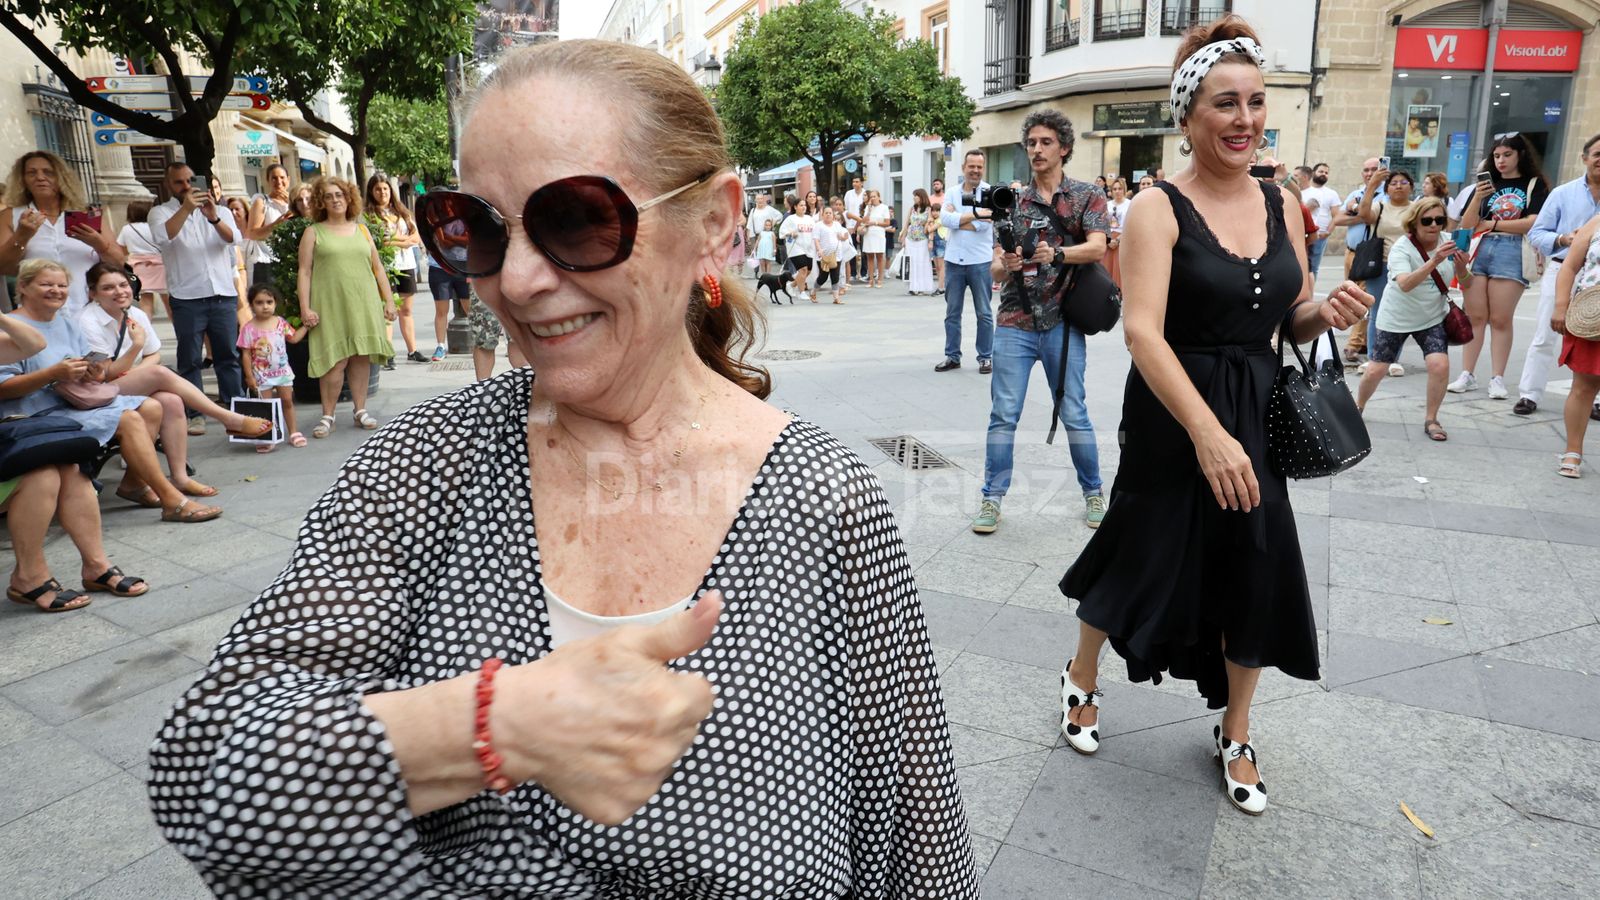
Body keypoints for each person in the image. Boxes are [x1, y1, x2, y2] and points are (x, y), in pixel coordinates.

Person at [150, 38, 977, 897]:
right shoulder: (423, 466)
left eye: (577, 219)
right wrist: (496, 728)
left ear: (717, 223)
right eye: (475, 229)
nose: (516, 279)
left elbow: (918, 841)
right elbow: (202, 766)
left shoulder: (826, 505)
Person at [1060, 16, 1373, 816]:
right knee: (1142, 544)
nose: (1245, 119)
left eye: (1256, 102)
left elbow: (1289, 315)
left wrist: (1324, 312)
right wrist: (1205, 434)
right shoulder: (1158, 209)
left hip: (1257, 405)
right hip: (1175, 408)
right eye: (1225, 104)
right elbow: (1141, 331)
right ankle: (1082, 675)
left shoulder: (1283, 199)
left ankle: (1234, 730)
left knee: (1255, 557)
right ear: (1188, 116)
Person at [0, 259, 222, 523]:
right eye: (47, 284)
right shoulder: (12, 328)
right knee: (127, 418)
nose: (56, 290)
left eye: (62, 285)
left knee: (151, 407)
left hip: (75, 401)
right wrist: (52, 374)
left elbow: (90, 366)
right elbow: (4, 390)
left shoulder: (66, 322)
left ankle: (134, 484)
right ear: (23, 287)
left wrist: (91, 371)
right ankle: (172, 500)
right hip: (35, 414)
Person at [973, 108, 1108, 535]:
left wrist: (1059, 254)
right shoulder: (1010, 201)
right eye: (1031, 143)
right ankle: (991, 500)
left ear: (1064, 148)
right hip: (1015, 321)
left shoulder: (1086, 196)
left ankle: (1094, 493)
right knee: (1003, 414)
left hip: (1064, 323)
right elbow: (994, 269)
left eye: (1046, 142)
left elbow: (1099, 247)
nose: (1037, 149)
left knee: (1075, 413)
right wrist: (1007, 263)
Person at [78, 263, 270, 488]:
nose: (120, 291)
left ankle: (179, 477)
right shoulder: (87, 321)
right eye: (108, 288)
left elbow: (154, 355)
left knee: (172, 401)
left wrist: (140, 372)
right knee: (159, 373)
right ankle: (229, 418)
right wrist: (136, 348)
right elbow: (104, 373)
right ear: (93, 293)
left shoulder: (135, 313)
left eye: (123, 285)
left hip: (128, 381)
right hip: (97, 391)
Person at [1354, 197, 1471, 440]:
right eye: (1427, 220)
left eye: (1440, 220)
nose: (1434, 225)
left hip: (1432, 316)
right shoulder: (1402, 248)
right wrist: (1434, 260)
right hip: (1396, 316)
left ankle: (1432, 419)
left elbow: (1467, 283)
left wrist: (1461, 268)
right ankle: (1358, 407)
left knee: (1440, 365)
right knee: (1376, 369)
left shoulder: (1449, 243)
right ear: (1414, 222)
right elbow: (1405, 284)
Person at [148, 162, 245, 436]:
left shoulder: (220, 209)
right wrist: (187, 208)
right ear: (170, 185)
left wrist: (213, 217)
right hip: (187, 297)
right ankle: (195, 413)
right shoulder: (160, 212)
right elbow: (162, 237)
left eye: (191, 180)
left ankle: (234, 410)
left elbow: (233, 239)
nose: (187, 186)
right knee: (190, 359)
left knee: (228, 356)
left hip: (222, 294)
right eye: (179, 182)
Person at [1450, 133, 1549, 399]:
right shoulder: (1485, 184)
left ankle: (1497, 378)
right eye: (1496, 156)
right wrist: (1477, 198)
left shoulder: (1533, 184)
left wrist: (1493, 224)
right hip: (1480, 248)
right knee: (1475, 316)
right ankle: (1467, 374)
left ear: (1520, 155)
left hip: (1511, 248)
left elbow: (1532, 222)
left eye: (1507, 155)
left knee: (1500, 318)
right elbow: (1468, 224)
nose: (1501, 160)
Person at [297, 176, 397, 438]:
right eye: (329, 196)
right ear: (322, 202)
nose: (335, 200)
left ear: (348, 197)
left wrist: (388, 300)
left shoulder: (362, 230)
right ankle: (327, 415)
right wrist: (305, 308)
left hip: (363, 302)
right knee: (334, 361)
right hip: (330, 304)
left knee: (361, 356)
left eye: (339, 194)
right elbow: (305, 272)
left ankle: (360, 409)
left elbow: (377, 268)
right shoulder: (313, 232)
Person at [1519, 133, 1600, 418]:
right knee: (1546, 331)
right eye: (1597, 154)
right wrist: (1564, 239)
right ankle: (1529, 393)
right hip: (1563, 267)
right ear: (1585, 158)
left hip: (1599, 279)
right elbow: (1537, 232)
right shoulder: (1563, 193)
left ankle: (1597, 400)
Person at [0, 151, 125, 315]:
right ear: (23, 180)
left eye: (48, 172)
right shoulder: (12, 216)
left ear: (61, 178)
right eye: (31, 173)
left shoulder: (88, 215)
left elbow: (118, 263)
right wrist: (21, 236)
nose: (40, 177)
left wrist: (98, 244)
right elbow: (4, 267)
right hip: (38, 313)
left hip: (90, 311)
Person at [937, 150, 996, 373]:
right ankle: (952, 356)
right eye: (972, 166)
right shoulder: (951, 192)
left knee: (984, 312)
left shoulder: (990, 192)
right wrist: (976, 214)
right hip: (953, 261)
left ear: (983, 168)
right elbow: (945, 219)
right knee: (952, 312)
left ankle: (985, 357)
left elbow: (986, 223)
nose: (975, 170)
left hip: (980, 261)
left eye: (979, 167)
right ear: (964, 167)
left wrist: (959, 218)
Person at [1553, 211, 1600, 477]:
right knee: (1583, 388)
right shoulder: (1597, 221)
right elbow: (1569, 266)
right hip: (1592, 314)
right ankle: (1573, 452)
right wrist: (1561, 306)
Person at [1356, 168, 1414, 377]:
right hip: (1380, 265)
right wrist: (1372, 185)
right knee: (1377, 312)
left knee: (1398, 313)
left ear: (1411, 187)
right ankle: (1374, 356)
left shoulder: (1417, 209)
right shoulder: (1380, 206)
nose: (1398, 185)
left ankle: (1392, 358)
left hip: (1407, 267)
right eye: (1393, 183)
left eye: (1403, 182)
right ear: (1387, 189)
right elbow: (1363, 215)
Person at [238, 283, 310, 450]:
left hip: (282, 372)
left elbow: (293, 338)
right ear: (252, 304)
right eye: (259, 302)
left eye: (269, 302)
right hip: (261, 375)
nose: (265, 306)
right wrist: (249, 376)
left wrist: (306, 326)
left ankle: (293, 432)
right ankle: (268, 435)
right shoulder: (248, 328)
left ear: (275, 303)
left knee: (287, 401)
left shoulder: (280, 323)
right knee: (266, 406)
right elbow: (246, 354)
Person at [367, 175, 424, 365]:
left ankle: (412, 350)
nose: (382, 193)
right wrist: (404, 240)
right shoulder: (370, 214)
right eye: (378, 189)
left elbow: (415, 238)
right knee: (388, 310)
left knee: (406, 310)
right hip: (386, 267)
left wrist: (399, 239)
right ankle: (388, 352)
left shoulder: (402, 212)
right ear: (371, 192)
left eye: (385, 189)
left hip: (406, 264)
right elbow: (381, 241)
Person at [1332, 157, 1382, 362]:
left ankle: (1353, 344)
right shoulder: (1356, 194)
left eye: (1373, 170)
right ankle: (1359, 342)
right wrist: (1361, 213)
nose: (1369, 174)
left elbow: (1378, 218)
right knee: (1350, 295)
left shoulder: (1385, 196)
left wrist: (1357, 210)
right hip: (1351, 253)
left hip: (1371, 254)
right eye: (1366, 170)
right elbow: (1338, 219)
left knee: (1362, 296)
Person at [116, 199, 169, 321]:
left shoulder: (127, 229)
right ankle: (180, 333)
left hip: (139, 267)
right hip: (161, 266)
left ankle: (146, 334)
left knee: (145, 302)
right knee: (169, 303)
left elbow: (122, 250)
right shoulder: (157, 227)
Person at [243, 163, 294, 285]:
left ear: (288, 179)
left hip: (290, 260)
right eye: (274, 178)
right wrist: (276, 224)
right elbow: (251, 233)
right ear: (268, 181)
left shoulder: (295, 202)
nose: (279, 182)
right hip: (267, 261)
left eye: (282, 177)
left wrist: (292, 204)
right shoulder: (262, 202)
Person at [1302, 162, 1341, 276]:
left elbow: (1336, 216)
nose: (1323, 174)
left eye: (1326, 172)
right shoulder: (1303, 191)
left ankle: (1310, 292)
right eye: (1321, 171)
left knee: (1313, 267)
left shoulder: (1332, 194)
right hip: (1302, 234)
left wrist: (1328, 232)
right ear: (1313, 173)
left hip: (1320, 237)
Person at [779, 196, 816, 302]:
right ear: (795, 207)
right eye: (801, 205)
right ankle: (802, 292)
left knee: (808, 271)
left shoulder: (809, 218)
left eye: (805, 205)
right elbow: (782, 232)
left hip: (808, 248)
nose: (804, 207)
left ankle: (791, 285)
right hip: (795, 248)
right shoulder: (790, 219)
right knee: (803, 269)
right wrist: (790, 233)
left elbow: (815, 231)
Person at [812, 206, 846, 303]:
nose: (828, 214)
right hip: (824, 256)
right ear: (822, 215)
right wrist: (819, 250)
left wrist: (843, 237)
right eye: (826, 213)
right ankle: (813, 292)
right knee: (823, 277)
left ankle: (836, 298)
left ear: (833, 215)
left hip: (836, 255)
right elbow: (816, 239)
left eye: (830, 213)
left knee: (835, 276)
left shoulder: (837, 225)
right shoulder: (818, 225)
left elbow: (840, 237)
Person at [905, 189, 935, 295]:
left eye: (916, 196)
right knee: (912, 262)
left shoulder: (928, 209)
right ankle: (913, 287)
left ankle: (922, 287)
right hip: (910, 239)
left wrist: (931, 240)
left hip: (922, 239)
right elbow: (906, 224)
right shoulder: (912, 209)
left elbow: (931, 225)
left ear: (921, 197)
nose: (914, 198)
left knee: (922, 262)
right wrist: (903, 237)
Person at [746, 192, 782, 276]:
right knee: (757, 255)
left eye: (761, 199)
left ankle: (767, 274)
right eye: (758, 199)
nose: (760, 200)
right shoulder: (753, 210)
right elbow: (750, 224)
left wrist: (774, 222)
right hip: (756, 235)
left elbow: (779, 215)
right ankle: (757, 272)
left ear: (763, 199)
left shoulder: (769, 209)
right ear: (755, 200)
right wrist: (748, 236)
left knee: (766, 256)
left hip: (767, 235)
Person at [860, 190, 891, 288]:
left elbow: (887, 223)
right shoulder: (868, 208)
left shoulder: (884, 207)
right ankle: (871, 280)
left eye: (874, 196)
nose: (872, 198)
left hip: (879, 234)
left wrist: (875, 223)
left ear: (879, 197)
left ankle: (880, 279)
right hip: (869, 234)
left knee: (880, 257)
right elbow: (864, 221)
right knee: (869, 257)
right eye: (871, 197)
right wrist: (868, 210)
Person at [1106, 177, 1131, 287]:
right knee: (1105, 270)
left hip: (1123, 239)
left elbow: (1131, 225)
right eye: (1114, 189)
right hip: (1108, 240)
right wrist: (1108, 239)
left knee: (1120, 271)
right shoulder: (1106, 205)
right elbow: (1101, 224)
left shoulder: (1131, 204)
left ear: (1124, 189)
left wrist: (1118, 240)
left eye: (1120, 188)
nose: (1117, 191)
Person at [843, 175, 866, 282]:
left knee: (864, 249)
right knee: (851, 249)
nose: (855, 184)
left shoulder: (865, 193)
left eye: (857, 181)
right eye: (853, 181)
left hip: (862, 225)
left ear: (861, 183)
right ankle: (852, 273)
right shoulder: (849, 194)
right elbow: (847, 209)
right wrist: (849, 225)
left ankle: (863, 273)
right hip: (851, 225)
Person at [930, 177, 948, 291]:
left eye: (937, 184)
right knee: (936, 263)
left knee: (942, 264)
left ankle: (942, 286)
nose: (935, 186)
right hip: (933, 233)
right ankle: (941, 285)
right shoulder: (930, 198)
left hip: (942, 232)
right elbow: (928, 213)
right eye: (934, 184)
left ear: (942, 185)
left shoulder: (946, 198)